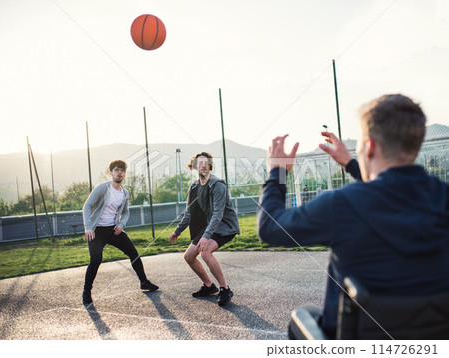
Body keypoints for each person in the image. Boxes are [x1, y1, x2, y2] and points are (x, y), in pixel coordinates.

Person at [257, 94, 449, 339]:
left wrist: (277, 173)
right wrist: (350, 163)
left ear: (369, 147)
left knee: (303, 316)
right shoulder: (443, 197)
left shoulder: (340, 205)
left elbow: (271, 227)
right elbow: (392, 192)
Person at [82, 159, 159, 305]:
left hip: (113, 229)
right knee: (96, 259)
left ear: (125, 174)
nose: (120, 173)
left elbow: (126, 213)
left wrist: (121, 225)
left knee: (133, 253)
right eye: (116, 170)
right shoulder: (102, 188)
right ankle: (86, 291)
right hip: (97, 230)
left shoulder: (124, 193)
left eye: (122, 171)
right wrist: (88, 227)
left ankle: (144, 282)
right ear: (111, 173)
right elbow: (87, 206)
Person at [169, 152, 240, 306]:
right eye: (199, 163)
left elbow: (218, 214)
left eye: (205, 162)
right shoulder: (194, 187)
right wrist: (177, 231)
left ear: (210, 165)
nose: (203, 165)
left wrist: (206, 236)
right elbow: (189, 213)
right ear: (194, 166)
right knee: (188, 256)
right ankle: (209, 286)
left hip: (225, 225)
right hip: (210, 226)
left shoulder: (217, 185)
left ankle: (225, 289)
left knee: (205, 252)